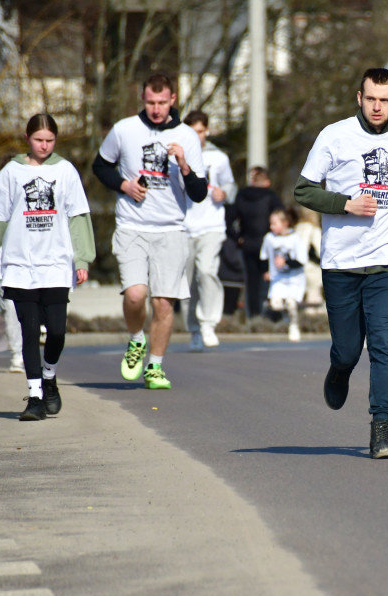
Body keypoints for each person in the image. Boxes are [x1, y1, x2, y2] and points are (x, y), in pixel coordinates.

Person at [293, 66, 388, 459]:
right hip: (341, 260)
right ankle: (339, 369)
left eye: (384, 100)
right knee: (347, 350)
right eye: (370, 98)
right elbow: (304, 189)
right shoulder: (334, 136)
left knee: (383, 344)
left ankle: (381, 429)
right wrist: (346, 204)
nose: (376, 106)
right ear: (359, 98)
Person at [92, 73, 207, 389]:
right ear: (143, 100)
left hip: (170, 229)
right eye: (150, 102)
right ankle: (135, 340)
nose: (156, 109)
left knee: (163, 303)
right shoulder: (124, 130)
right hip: (131, 225)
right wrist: (123, 185)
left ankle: (155, 367)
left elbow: (198, 193)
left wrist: (183, 164)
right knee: (135, 294)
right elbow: (100, 166)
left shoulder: (187, 136)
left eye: (161, 102)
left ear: (173, 100)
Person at [0, 113, 96, 421]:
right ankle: (34, 397)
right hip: (20, 264)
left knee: (56, 331)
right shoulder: (10, 173)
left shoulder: (66, 171)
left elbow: (79, 217)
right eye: (38, 140)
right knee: (29, 330)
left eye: (50, 140)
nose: (44, 146)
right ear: (27, 138)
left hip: (56, 263)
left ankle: (49, 375)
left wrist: (82, 259)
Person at [182, 110, 237, 350]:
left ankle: (208, 324)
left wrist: (224, 193)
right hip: (184, 226)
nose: (198, 136)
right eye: (193, 132)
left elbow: (230, 185)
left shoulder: (219, 158)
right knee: (189, 281)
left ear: (207, 131)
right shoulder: (178, 156)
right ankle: (194, 330)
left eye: (201, 131)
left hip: (212, 225)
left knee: (206, 271)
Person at [234, 166, 284, 319]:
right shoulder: (271, 197)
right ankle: (271, 315)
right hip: (267, 244)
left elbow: (231, 217)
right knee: (269, 279)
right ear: (267, 181)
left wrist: (238, 237)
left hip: (248, 244)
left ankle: (253, 315)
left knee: (251, 283)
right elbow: (281, 217)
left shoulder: (242, 196)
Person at [260, 208, 307, 341]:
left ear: (285, 223)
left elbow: (301, 261)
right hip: (278, 278)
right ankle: (285, 316)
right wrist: (266, 271)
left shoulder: (295, 238)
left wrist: (285, 261)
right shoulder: (269, 238)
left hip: (294, 278)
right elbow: (263, 256)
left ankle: (293, 325)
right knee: (276, 304)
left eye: (275, 224)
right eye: (271, 224)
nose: (271, 227)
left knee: (291, 303)